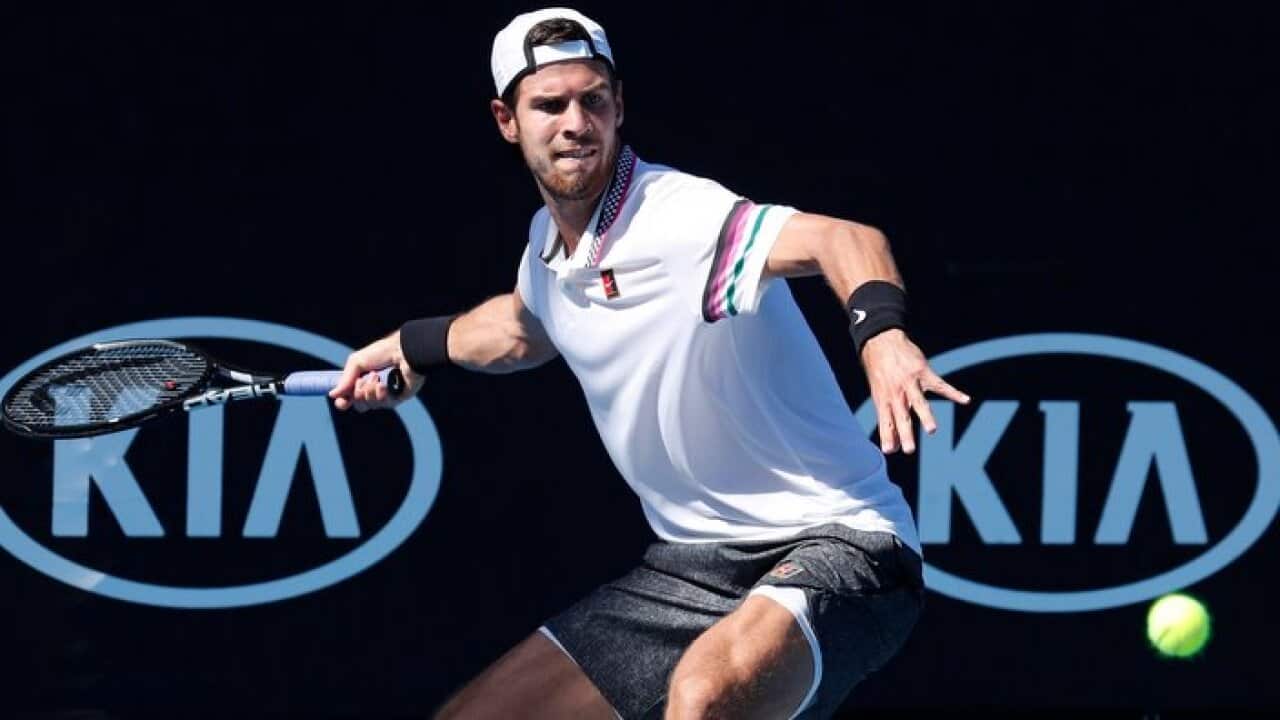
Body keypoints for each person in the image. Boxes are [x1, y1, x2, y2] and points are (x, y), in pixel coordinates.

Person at [329, 8, 970, 719]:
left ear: (619, 106)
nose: (576, 122)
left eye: (593, 100)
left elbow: (843, 239)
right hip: (690, 567)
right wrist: (412, 347)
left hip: (845, 545)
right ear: (506, 120)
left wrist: (882, 336)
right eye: (550, 105)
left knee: (702, 699)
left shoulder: (679, 218)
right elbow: (517, 328)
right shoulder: (548, 248)